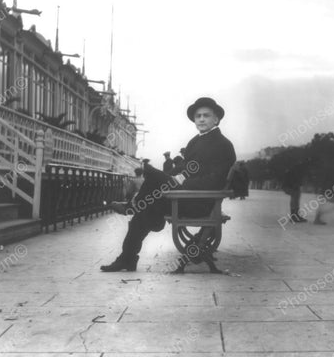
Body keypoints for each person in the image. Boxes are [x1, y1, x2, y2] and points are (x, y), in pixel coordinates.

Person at [101, 97, 236, 272]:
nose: (201, 119)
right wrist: (171, 179)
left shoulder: (222, 145)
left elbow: (214, 180)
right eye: (198, 116)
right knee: (144, 208)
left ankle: (132, 209)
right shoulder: (196, 141)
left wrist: (181, 182)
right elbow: (181, 167)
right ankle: (127, 258)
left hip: (199, 202)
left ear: (216, 119)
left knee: (149, 174)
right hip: (184, 197)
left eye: (206, 115)